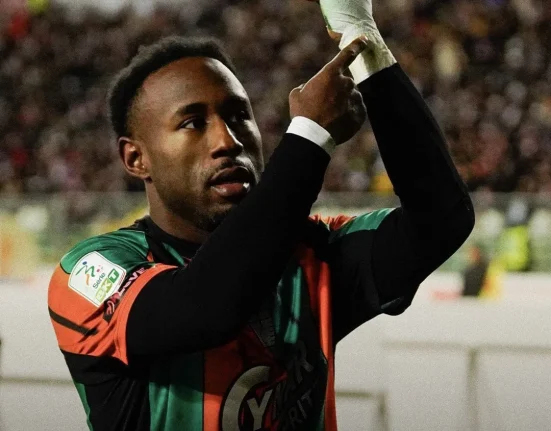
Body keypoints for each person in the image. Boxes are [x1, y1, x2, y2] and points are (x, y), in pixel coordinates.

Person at [48, 0, 474, 429]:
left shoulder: (311, 254)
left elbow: (441, 220)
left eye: (239, 116)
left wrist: (364, 41)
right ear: (136, 158)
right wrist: (310, 136)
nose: (227, 140)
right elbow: (206, 309)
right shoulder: (88, 273)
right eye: (193, 123)